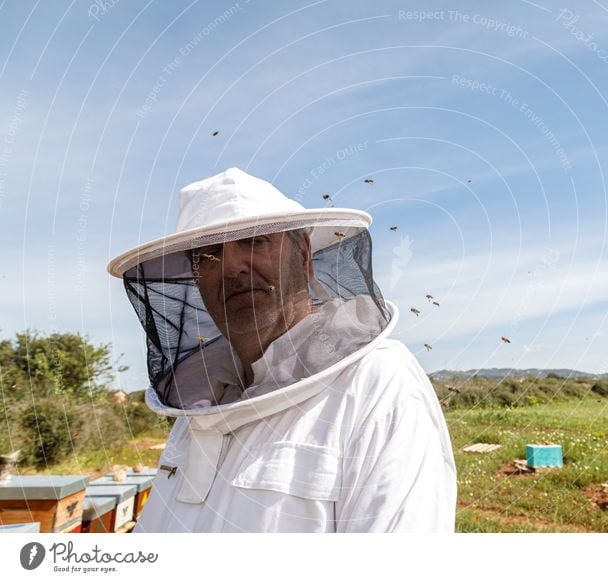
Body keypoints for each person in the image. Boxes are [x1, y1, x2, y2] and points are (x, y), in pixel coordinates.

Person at [108, 167, 457, 532]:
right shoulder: (200, 407)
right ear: (197, 279)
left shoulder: (376, 384)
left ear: (303, 254)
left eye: (254, 241)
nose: (232, 267)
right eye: (210, 255)